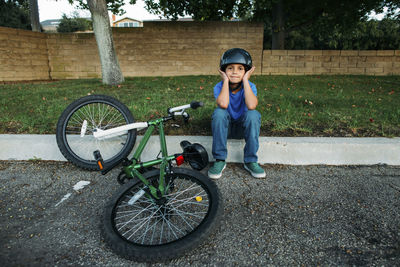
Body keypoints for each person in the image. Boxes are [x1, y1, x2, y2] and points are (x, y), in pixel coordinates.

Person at [208, 48, 266, 179]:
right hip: (225, 129)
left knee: (253, 114)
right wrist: (226, 81)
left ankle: (250, 161)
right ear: (223, 71)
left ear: (246, 71)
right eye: (230, 68)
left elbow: (251, 105)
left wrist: (245, 81)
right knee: (219, 113)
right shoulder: (219, 86)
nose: (235, 72)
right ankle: (220, 160)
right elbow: (223, 104)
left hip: (243, 129)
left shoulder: (250, 86)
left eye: (240, 68)